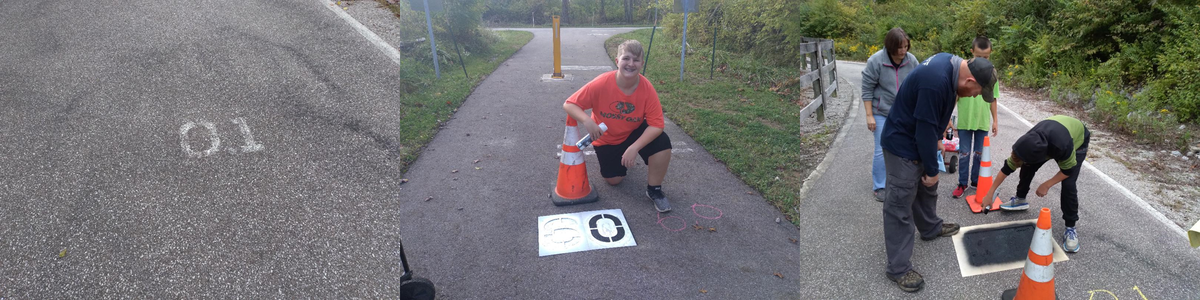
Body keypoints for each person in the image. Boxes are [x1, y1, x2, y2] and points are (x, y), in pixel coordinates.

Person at [880, 52, 996, 292]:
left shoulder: (951, 65)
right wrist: (933, 169)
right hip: (903, 144)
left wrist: (939, 136)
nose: (975, 96)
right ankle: (898, 268)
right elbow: (923, 130)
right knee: (900, 205)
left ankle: (930, 227)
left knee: (925, 190)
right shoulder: (936, 81)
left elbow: (933, 115)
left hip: (919, 138)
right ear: (970, 82)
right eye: (977, 92)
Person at [563, 40, 674, 213]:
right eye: (626, 58)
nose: (631, 64)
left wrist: (634, 147)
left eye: (636, 60)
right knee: (614, 180)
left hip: (632, 131)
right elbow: (569, 104)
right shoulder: (601, 83)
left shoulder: (646, 88)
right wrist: (588, 121)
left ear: (642, 64)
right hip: (607, 138)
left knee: (662, 141)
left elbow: (657, 125)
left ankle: (655, 190)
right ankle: (622, 157)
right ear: (617, 61)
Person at [982, 115, 1090, 253]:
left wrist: (1047, 184)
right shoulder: (1028, 143)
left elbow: (1068, 171)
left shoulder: (1062, 146)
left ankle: (1070, 228)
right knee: (1027, 167)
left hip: (1077, 138)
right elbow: (1008, 167)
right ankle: (1020, 199)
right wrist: (990, 192)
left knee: (1068, 184)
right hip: (1052, 131)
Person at [862, 27, 919, 202]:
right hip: (881, 111)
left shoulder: (911, 61)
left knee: (905, 147)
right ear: (890, 46)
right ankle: (880, 185)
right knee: (881, 149)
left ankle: (902, 180)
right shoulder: (876, 61)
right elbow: (867, 89)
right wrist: (869, 115)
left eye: (906, 47)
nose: (903, 51)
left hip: (904, 112)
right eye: (899, 47)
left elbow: (919, 84)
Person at [952, 36, 1001, 198]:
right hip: (965, 121)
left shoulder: (991, 73)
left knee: (979, 154)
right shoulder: (964, 70)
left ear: (990, 54)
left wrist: (995, 120)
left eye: (985, 57)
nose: (982, 60)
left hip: (982, 122)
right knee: (964, 153)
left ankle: (975, 181)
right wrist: (947, 118)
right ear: (972, 52)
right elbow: (956, 95)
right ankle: (962, 183)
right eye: (979, 57)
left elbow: (993, 98)